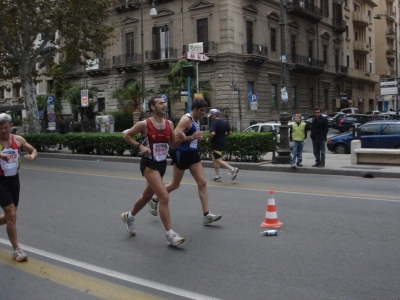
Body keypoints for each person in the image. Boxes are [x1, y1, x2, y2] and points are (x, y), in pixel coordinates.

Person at [120, 96, 186, 246]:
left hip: (161, 164)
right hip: (149, 164)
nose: (164, 105)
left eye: (164, 103)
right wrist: (140, 146)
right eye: (160, 103)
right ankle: (170, 234)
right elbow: (127, 136)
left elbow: (173, 144)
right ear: (153, 107)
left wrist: (181, 139)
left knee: (147, 195)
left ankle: (129, 216)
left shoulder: (169, 124)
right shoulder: (144, 124)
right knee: (163, 196)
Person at [148, 99, 222, 225]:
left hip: (193, 154)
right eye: (201, 111)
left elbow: (191, 137)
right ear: (194, 109)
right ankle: (155, 199)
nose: (203, 113)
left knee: (202, 182)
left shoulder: (197, 120)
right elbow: (174, 139)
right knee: (175, 184)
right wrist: (192, 137)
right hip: (182, 154)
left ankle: (206, 215)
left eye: (204, 110)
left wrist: (196, 139)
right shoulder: (186, 120)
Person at [0, 113, 37, 261]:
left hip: (14, 181)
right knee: (11, 214)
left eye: (6, 128)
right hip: (0, 181)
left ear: (10, 126)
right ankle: (17, 250)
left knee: (11, 214)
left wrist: (32, 156)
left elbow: (33, 150)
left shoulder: (18, 140)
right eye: (0, 128)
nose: (3, 131)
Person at [206, 109, 239, 182]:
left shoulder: (214, 123)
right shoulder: (224, 122)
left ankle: (232, 169)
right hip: (222, 142)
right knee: (214, 158)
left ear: (214, 115)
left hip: (216, 144)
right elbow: (230, 132)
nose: (210, 117)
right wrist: (223, 135)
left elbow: (212, 133)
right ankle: (217, 176)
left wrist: (208, 138)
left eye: (211, 116)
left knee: (218, 160)